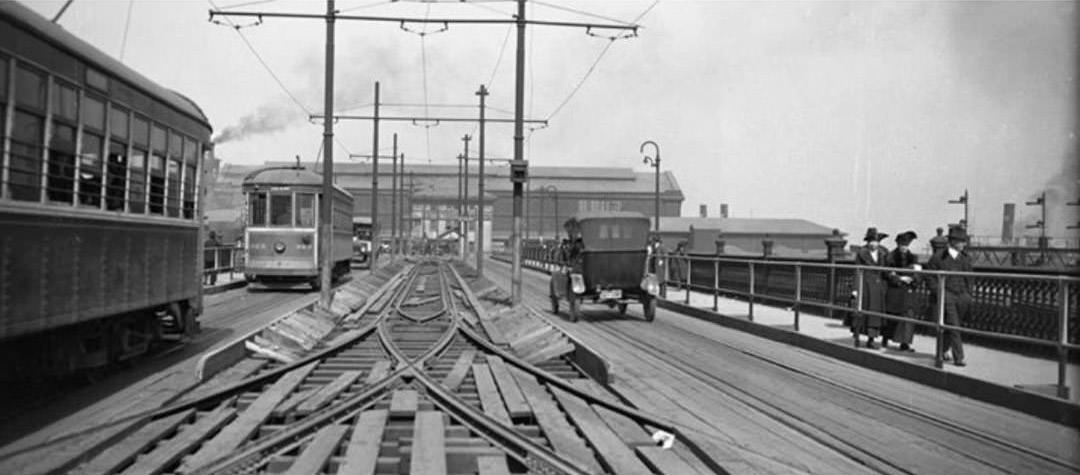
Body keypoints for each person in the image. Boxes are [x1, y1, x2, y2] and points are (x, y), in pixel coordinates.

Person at [925, 226, 972, 366]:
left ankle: (942, 351)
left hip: (962, 296)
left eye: (964, 241)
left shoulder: (965, 258)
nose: (964, 244)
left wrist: (968, 294)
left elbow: (970, 278)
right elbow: (930, 277)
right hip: (947, 295)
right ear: (952, 242)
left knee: (954, 325)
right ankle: (959, 357)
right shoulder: (938, 257)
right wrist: (939, 292)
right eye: (961, 241)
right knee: (954, 325)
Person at [851, 227, 889, 349]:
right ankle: (857, 335)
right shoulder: (862, 254)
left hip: (878, 287)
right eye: (872, 241)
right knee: (862, 313)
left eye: (876, 241)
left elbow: (886, 270)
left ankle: (871, 339)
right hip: (865, 286)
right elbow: (857, 271)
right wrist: (855, 288)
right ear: (868, 242)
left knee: (875, 315)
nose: (874, 244)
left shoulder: (882, 254)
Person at [882, 231, 919, 352]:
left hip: (908, 291)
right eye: (902, 245)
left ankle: (905, 343)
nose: (904, 248)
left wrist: (914, 279)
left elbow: (918, 273)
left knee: (908, 316)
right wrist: (900, 278)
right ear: (898, 244)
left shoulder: (913, 257)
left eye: (906, 245)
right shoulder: (890, 256)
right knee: (892, 315)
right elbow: (887, 272)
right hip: (895, 290)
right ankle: (886, 338)